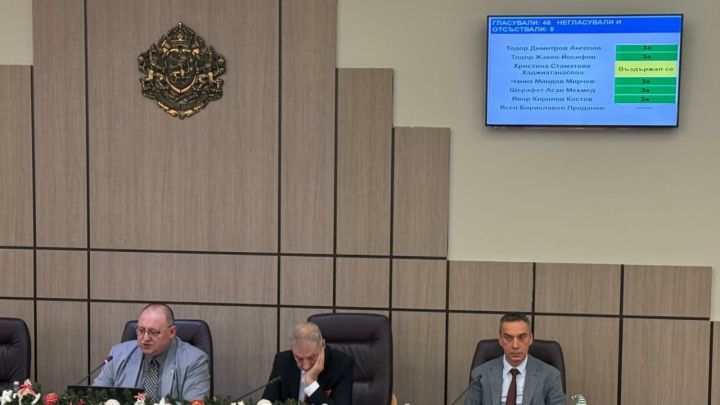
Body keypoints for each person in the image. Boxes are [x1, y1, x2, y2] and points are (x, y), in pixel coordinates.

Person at [93, 303, 210, 401]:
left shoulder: (194, 361)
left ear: (172, 332)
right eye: (141, 330)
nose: (145, 338)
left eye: (153, 332)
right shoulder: (117, 355)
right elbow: (95, 398)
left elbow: (195, 403)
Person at [465, 312, 564, 405]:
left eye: (521, 337)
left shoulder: (550, 376)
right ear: (500, 340)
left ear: (530, 339)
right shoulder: (480, 374)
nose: (515, 345)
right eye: (508, 338)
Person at [261, 322, 354, 405]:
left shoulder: (342, 365)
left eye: (311, 357)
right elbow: (267, 399)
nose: (306, 366)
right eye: (299, 358)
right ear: (292, 349)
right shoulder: (282, 361)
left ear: (323, 345)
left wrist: (311, 383)